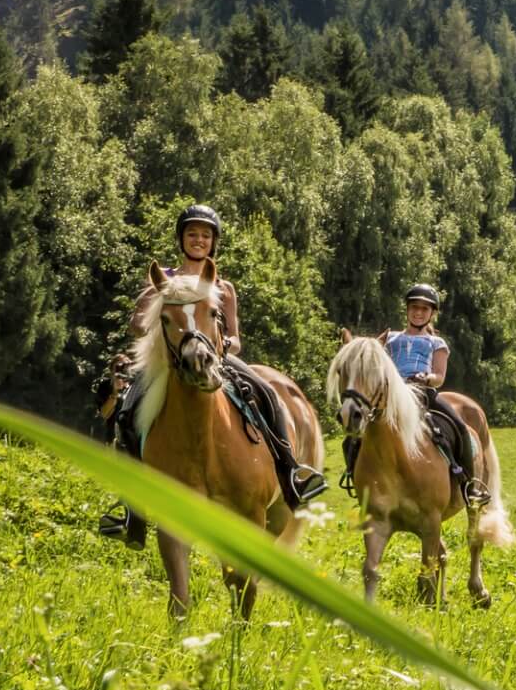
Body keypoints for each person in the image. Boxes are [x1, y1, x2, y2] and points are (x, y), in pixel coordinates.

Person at [99, 205, 323, 543]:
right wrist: (151, 305)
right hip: (169, 363)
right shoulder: (163, 280)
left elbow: (235, 338)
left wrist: (220, 346)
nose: (198, 240)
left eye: (205, 235)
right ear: (181, 239)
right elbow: (137, 327)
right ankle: (133, 510)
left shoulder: (223, 287)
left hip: (214, 357)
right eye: (192, 234)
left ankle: (291, 474)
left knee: (267, 393)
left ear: (213, 242)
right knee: (127, 410)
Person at [353, 284, 490, 507]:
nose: (418, 312)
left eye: (424, 309)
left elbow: (440, 376)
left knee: (460, 428)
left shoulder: (436, 343)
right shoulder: (390, 339)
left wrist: (426, 377)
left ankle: (469, 484)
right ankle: (357, 481)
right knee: (356, 433)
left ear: (432, 314)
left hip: (423, 395)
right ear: (407, 310)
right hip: (392, 398)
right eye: (414, 307)